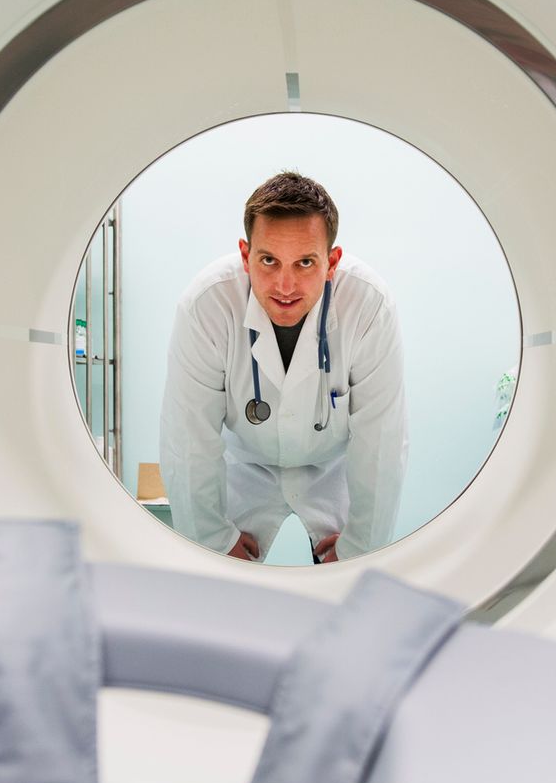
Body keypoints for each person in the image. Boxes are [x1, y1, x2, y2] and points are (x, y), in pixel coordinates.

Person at [159, 171, 406, 563]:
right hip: (245, 464)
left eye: (305, 262)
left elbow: (382, 440)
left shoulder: (369, 305)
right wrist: (214, 539)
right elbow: (188, 437)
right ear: (245, 255)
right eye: (269, 260)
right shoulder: (206, 304)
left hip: (333, 468)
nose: (285, 286)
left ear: (332, 262)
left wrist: (360, 545)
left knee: (350, 586)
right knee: (219, 586)